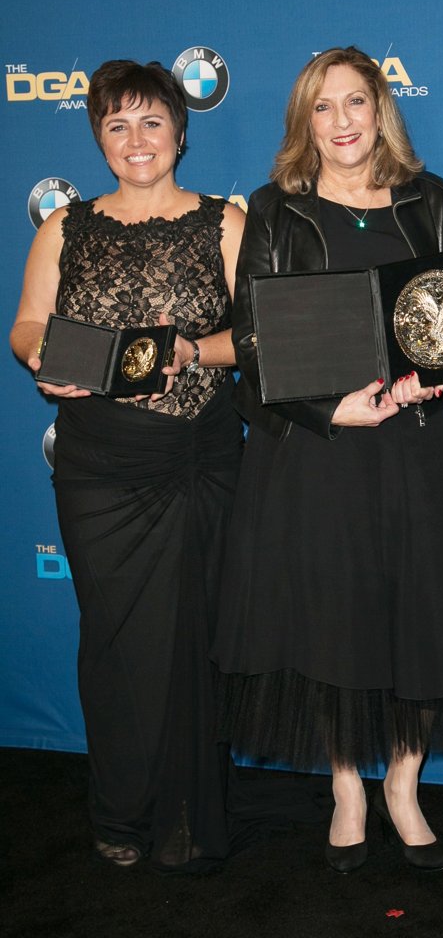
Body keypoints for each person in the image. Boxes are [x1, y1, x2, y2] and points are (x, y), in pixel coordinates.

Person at [212, 46, 443, 874]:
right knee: (331, 622)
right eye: (323, 108)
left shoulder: (431, 200)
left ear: (380, 108)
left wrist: (436, 375)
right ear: (304, 123)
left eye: (355, 102)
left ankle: (402, 783)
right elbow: (253, 343)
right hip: (317, 453)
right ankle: (347, 788)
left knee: (421, 617)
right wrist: (331, 410)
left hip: (412, 447)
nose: (342, 122)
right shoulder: (275, 210)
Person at [10, 60, 246, 873]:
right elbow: (28, 326)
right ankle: (120, 808)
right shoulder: (64, 226)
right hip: (100, 468)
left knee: (195, 634)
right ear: (98, 140)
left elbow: (256, 337)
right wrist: (46, 360)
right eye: (118, 125)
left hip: (198, 458)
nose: (136, 140)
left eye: (152, 122)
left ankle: (186, 810)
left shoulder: (224, 223)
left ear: (181, 131)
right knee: (113, 639)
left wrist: (194, 350)